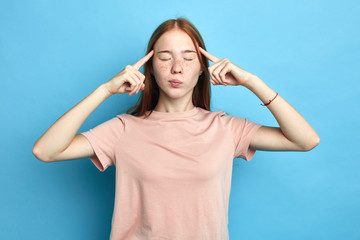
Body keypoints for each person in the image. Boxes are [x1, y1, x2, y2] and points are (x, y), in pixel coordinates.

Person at [33, 17, 320, 240]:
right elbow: (45, 151)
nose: (177, 67)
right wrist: (104, 90)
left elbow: (305, 140)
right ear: (150, 68)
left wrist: (252, 82)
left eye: (188, 57)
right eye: (165, 57)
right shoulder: (122, 130)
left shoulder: (225, 128)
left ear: (201, 69)